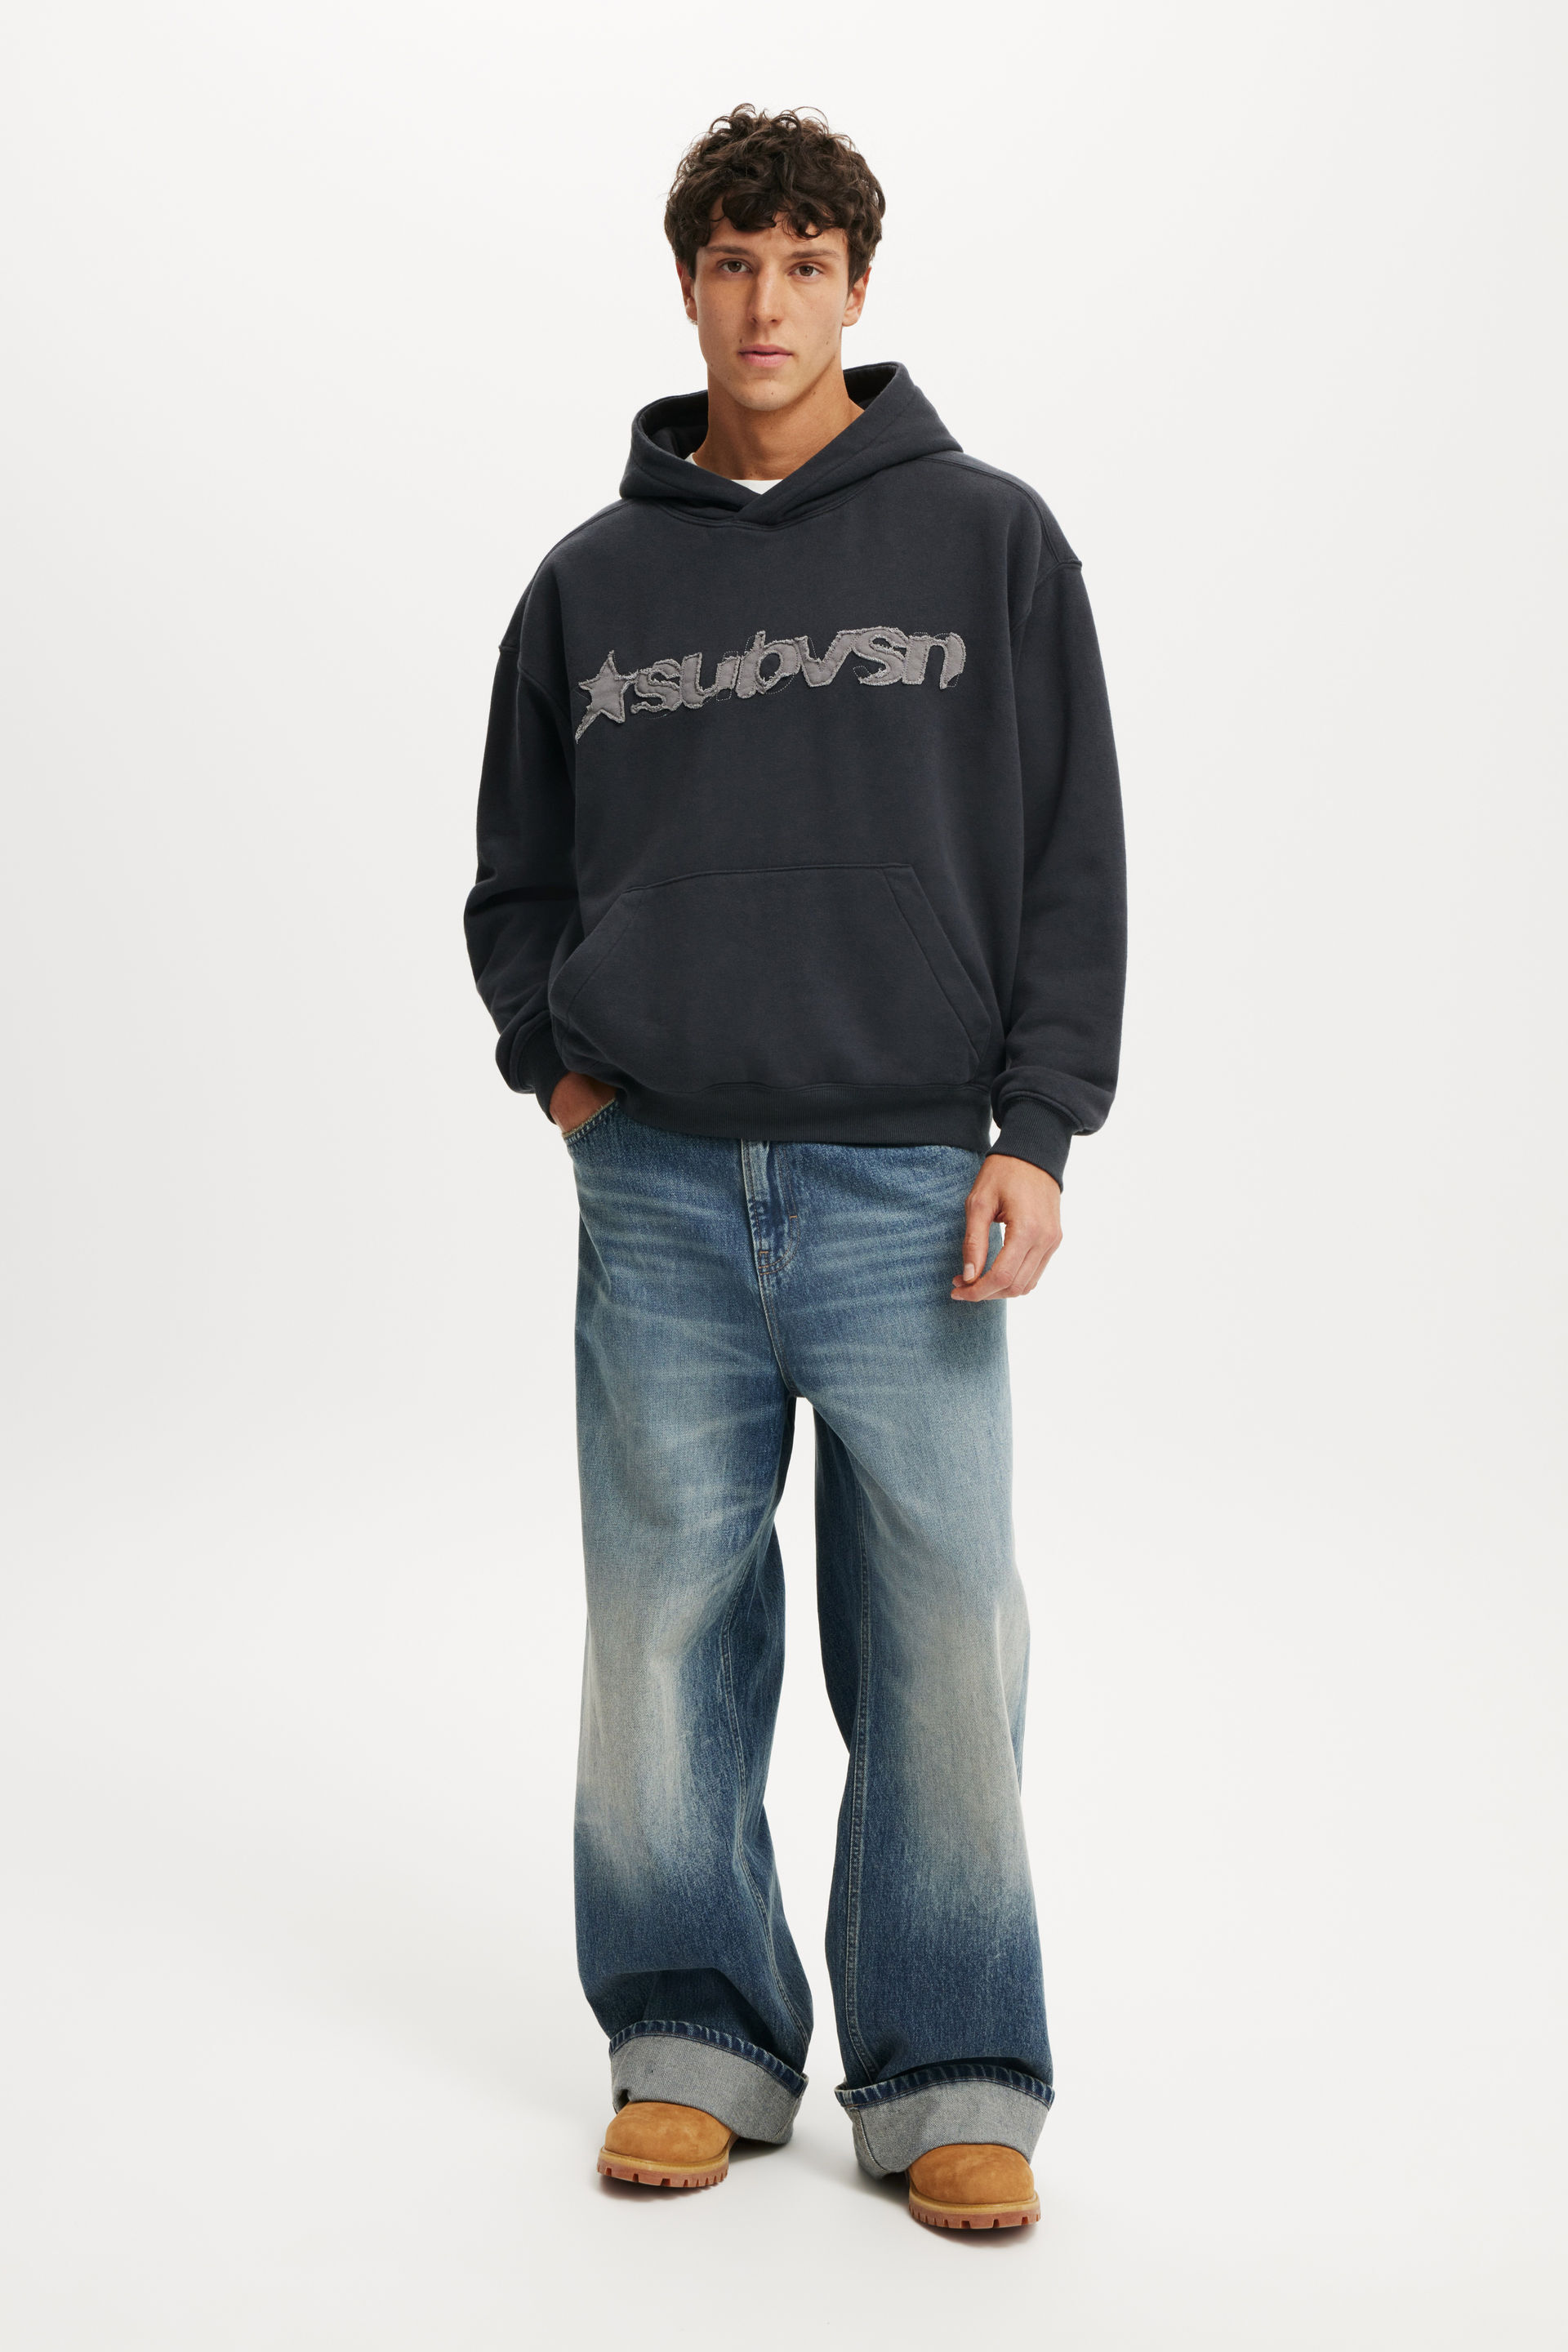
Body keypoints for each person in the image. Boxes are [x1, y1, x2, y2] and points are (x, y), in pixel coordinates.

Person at [464, 105, 1126, 2234]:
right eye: (732, 264)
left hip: (910, 1188)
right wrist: (563, 1071)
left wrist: (1038, 1131)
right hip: (659, 1183)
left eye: (805, 266)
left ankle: (951, 2071)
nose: (766, 304)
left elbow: (1071, 856)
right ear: (688, 286)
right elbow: (516, 875)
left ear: (857, 284)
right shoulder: (592, 581)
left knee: (941, 1636)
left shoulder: (990, 542)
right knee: (662, 1623)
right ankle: (692, 2040)